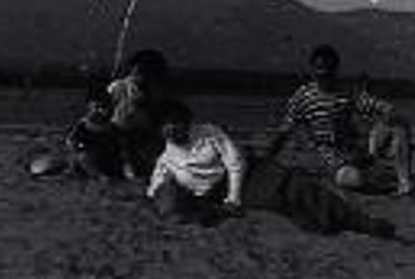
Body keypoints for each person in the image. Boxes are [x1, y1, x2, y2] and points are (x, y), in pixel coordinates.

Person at [147, 100, 398, 238]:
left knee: (296, 186)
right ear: (161, 130)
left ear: (187, 121)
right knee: (281, 204)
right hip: (213, 197)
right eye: (166, 126)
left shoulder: (210, 133)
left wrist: (233, 199)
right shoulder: (165, 158)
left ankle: (362, 222)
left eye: (176, 123)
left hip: (246, 176)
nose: (172, 129)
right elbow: (156, 189)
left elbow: (235, 163)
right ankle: (327, 224)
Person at [264, 45, 414, 195]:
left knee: (398, 126)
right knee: (354, 179)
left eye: (328, 68)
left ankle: (405, 184)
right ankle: (373, 180)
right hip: (333, 158)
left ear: (335, 70)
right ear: (312, 69)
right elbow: (284, 132)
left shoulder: (346, 91)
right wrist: (265, 160)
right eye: (319, 68)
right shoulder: (303, 97)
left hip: (359, 149)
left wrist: (382, 124)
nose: (324, 72)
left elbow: (383, 107)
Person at [107, 49, 172, 180]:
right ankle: (127, 166)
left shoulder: (156, 90)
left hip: (144, 130)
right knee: (125, 148)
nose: (139, 76)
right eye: (137, 72)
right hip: (120, 128)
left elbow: (158, 113)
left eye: (146, 73)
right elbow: (107, 106)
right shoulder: (119, 86)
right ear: (131, 70)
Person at [64, 91, 125, 179]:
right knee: (83, 157)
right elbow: (71, 142)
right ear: (89, 108)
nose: (100, 111)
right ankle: (100, 176)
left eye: (103, 108)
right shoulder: (82, 125)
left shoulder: (112, 127)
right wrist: (78, 147)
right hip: (87, 159)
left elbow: (121, 146)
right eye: (96, 107)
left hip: (106, 159)